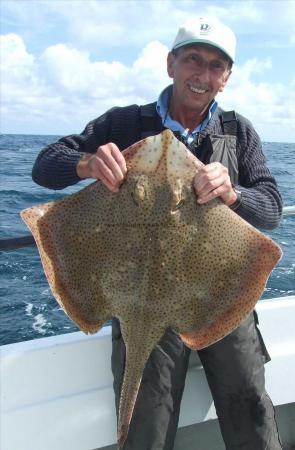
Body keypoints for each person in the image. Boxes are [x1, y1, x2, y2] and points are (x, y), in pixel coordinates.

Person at [32, 16, 283, 450]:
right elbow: (44, 165)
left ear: (226, 78)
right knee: (145, 429)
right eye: (192, 60)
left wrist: (234, 193)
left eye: (215, 66)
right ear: (171, 64)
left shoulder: (238, 132)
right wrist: (88, 162)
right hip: (136, 294)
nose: (202, 75)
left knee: (252, 414)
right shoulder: (123, 123)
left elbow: (272, 208)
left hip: (219, 295)